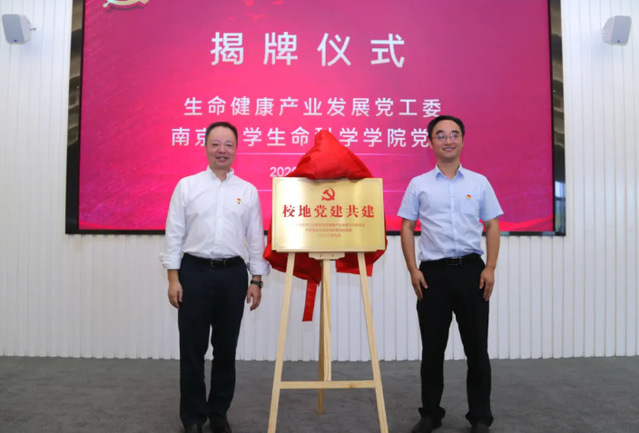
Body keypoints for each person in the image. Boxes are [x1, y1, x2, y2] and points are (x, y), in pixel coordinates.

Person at [161, 121, 270, 433]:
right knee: (192, 349)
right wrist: (173, 278)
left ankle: (218, 412)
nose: (222, 150)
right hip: (193, 274)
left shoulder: (247, 191)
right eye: (216, 144)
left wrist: (256, 280)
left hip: (232, 275)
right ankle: (193, 417)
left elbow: (255, 239)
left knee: (226, 349)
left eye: (228, 144)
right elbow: (174, 235)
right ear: (206, 147)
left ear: (236, 149)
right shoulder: (187, 186)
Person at [398, 115, 502, 433]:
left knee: (477, 348)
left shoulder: (479, 182)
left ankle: (480, 417)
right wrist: (413, 269)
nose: (448, 140)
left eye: (454, 134)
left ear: (463, 140)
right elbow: (406, 226)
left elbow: (492, 225)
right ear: (430, 142)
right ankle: (431, 413)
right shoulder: (419, 184)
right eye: (440, 135)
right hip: (433, 275)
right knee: (432, 348)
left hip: (472, 272)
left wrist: (490, 267)